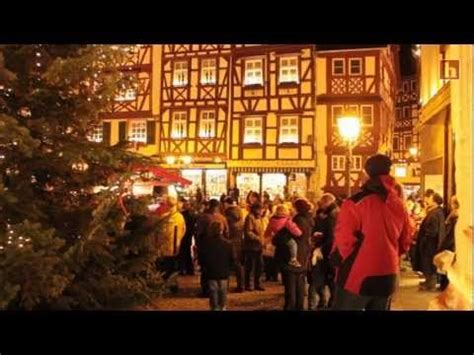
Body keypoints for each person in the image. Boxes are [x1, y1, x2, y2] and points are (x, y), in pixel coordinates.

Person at [330, 154, 414, 310]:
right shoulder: (399, 203)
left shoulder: (355, 202)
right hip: (388, 272)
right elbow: (406, 239)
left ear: (367, 173)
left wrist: (344, 260)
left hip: (358, 274)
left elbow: (344, 240)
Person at [275, 198, 313, 310]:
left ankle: (290, 307)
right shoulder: (308, 219)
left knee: (290, 287)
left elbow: (285, 238)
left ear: (297, 208)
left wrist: (276, 237)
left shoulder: (296, 222)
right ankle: (299, 306)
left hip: (291, 259)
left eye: (293, 207)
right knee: (299, 286)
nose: (290, 210)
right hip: (302, 257)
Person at [308, 193, 339, 310]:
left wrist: (320, 247)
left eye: (321, 203)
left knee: (325, 279)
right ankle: (326, 302)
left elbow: (331, 236)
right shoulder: (328, 214)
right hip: (327, 251)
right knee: (326, 279)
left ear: (326, 203)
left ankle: (328, 302)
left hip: (326, 252)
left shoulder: (332, 216)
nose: (320, 205)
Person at [195, 199, 230, 297]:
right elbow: (227, 232)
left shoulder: (204, 218)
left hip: (207, 245)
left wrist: (199, 245)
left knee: (206, 269)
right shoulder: (222, 218)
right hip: (220, 245)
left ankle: (206, 290)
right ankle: (221, 291)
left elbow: (198, 233)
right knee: (219, 268)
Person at [154, 195, 187, 293]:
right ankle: (173, 285)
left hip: (164, 247)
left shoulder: (163, 217)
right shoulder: (180, 217)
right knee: (173, 267)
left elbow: (158, 232)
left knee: (165, 267)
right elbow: (183, 231)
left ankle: (165, 285)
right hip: (175, 247)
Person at [200, 221, 235, 311]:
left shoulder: (206, 244)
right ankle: (222, 306)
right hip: (224, 270)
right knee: (223, 290)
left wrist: (204, 267)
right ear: (222, 230)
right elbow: (232, 258)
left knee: (213, 290)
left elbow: (203, 258)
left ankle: (214, 307)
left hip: (211, 270)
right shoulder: (228, 244)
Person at [417, 190, 446, 291]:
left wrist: (424, 239)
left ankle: (430, 284)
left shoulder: (435, 213)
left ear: (435, 201)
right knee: (429, 263)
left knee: (429, 263)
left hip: (430, 244)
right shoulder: (438, 211)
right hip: (432, 243)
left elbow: (432, 230)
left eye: (429, 199)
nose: (427, 200)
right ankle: (428, 282)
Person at [223, 197, 245, 292]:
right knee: (238, 264)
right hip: (238, 240)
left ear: (227, 203)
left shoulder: (228, 213)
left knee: (226, 263)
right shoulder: (240, 212)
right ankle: (241, 285)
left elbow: (226, 228)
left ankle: (225, 286)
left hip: (229, 240)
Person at [243, 202, 265, 291]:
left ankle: (257, 283)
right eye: (260, 209)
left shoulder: (259, 218)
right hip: (251, 246)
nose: (261, 211)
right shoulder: (250, 218)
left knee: (259, 266)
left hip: (258, 246)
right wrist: (257, 238)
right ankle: (249, 284)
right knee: (250, 266)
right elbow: (248, 232)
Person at [178, 197, 196, 276]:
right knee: (188, 252)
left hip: (181, 236)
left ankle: (182, 269)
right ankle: (190, 269)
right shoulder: (192, 216)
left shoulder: (180, 216)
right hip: (188, 235)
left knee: (182, 253)